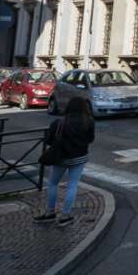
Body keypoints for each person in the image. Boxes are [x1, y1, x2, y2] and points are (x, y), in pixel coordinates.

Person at [35, 96, 95, 226]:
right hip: (79, 158)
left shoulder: (59, 122)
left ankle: (50, 212)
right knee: (72, 185)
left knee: (53, 183)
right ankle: (65, 215)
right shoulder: (89, 122)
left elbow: (49, 140)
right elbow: (91, 139)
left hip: (60, 157)